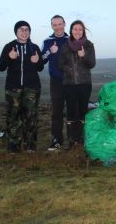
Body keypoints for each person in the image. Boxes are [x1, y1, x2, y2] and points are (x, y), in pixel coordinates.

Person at [0, 21, 44, 152]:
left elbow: (40, 68)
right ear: (16, 32)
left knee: (31, 117)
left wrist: (37, 61)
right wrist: (9, 57)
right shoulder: (9, 47)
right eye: (21, 29)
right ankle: (14, 145)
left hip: (32, 88)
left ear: (29, 32)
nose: (24, 32)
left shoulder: (34, 47)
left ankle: (30, 145)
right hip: (13, 88)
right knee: (13, 117)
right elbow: (1, 67)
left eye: (27, 29)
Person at [58, 20, 96, 148]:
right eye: (75, 29)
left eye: (80, 29)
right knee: (71, 111)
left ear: (83, 31)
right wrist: (68, 69)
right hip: (69, 84)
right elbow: (60, 64)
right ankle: (71, 140)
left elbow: (92, 63)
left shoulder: (89, 45)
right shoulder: (65, 46)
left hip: (84, 84)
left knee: (82, 111)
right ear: (71, 31)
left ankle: (81, 139)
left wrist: (84, 56)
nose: (78, 31)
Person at [41, 15, 69, 151]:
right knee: (57, 112)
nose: (57, 27)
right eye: (54, 25)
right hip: (56, 82)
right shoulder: (47, 41)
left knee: (73, 112)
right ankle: (57, 140)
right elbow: (41, 60)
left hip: (72, 82)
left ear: (64, 24)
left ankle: (74, 141)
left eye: (60, 24)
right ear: (52, 26)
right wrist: (49, 52)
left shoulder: (71, 40)